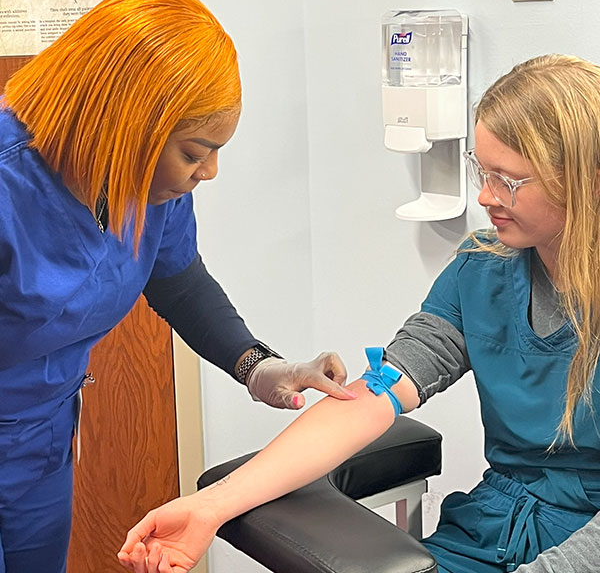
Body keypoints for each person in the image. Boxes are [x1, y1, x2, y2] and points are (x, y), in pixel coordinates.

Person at [118, 54, 600, 573]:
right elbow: (374, 395)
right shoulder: (482, 268)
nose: (485, 196)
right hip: (489, 532)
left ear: (587, 180)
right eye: (482, 171)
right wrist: (209, 508)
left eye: (508, 181)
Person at [0, 0, 358, 573]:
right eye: (196, 152)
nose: (209, 172)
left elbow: (179, 282)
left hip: (39, 450)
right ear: (127, 126)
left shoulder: (147, 189)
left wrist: (258, 365)